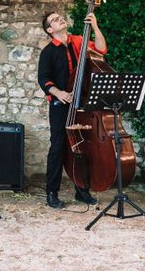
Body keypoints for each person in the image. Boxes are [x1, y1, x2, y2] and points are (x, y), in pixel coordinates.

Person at [37, 11, 107, 209]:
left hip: (83, 104)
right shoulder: (48, 52)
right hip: (60, 105)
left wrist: (95, 27)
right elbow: (43, 79)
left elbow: (101, 50)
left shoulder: (79, 41)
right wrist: (58, 93)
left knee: (83, 146)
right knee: (58, 147)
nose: (60, 19)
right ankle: (52, 192)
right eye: (55, 19)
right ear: (50, 30)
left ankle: (81, 190)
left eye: (60, 17)